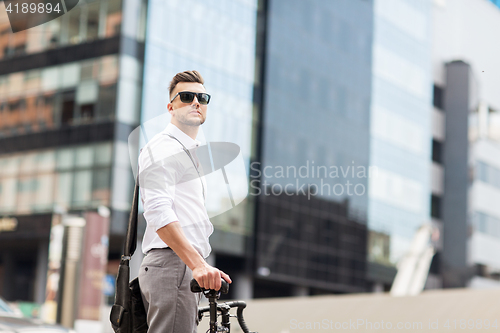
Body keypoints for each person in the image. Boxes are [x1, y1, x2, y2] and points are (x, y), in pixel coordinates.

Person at [138, 70, 231, 333]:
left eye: (202, 97)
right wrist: (197, 264)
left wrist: (200, 263)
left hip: (181, 266)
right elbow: (157, 212)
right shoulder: (164, 148)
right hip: (173, 265)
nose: (196, 102)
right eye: (187, 96)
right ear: (170, 107)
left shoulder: (187, 152)